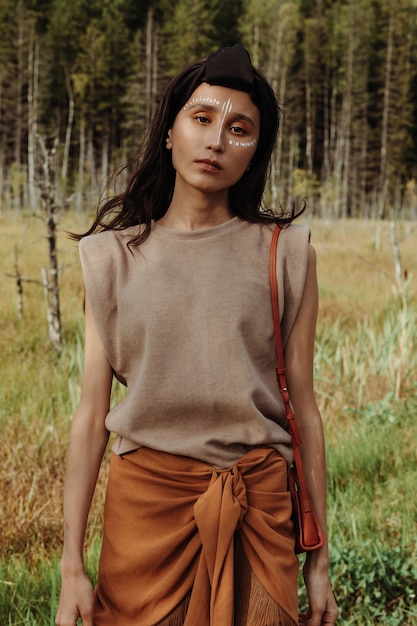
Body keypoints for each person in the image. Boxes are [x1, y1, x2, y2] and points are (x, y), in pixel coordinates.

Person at [55, 45, 338, 626]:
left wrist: (320, 564)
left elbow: (304, 414)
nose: (216, 141)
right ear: (169, 131)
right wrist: (70, 566)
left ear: (255, 149)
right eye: (201, 118)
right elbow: (90, 417)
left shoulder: (286, 254)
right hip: (145, 520)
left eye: (239, 129)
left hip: (259, 517)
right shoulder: (110, 259)